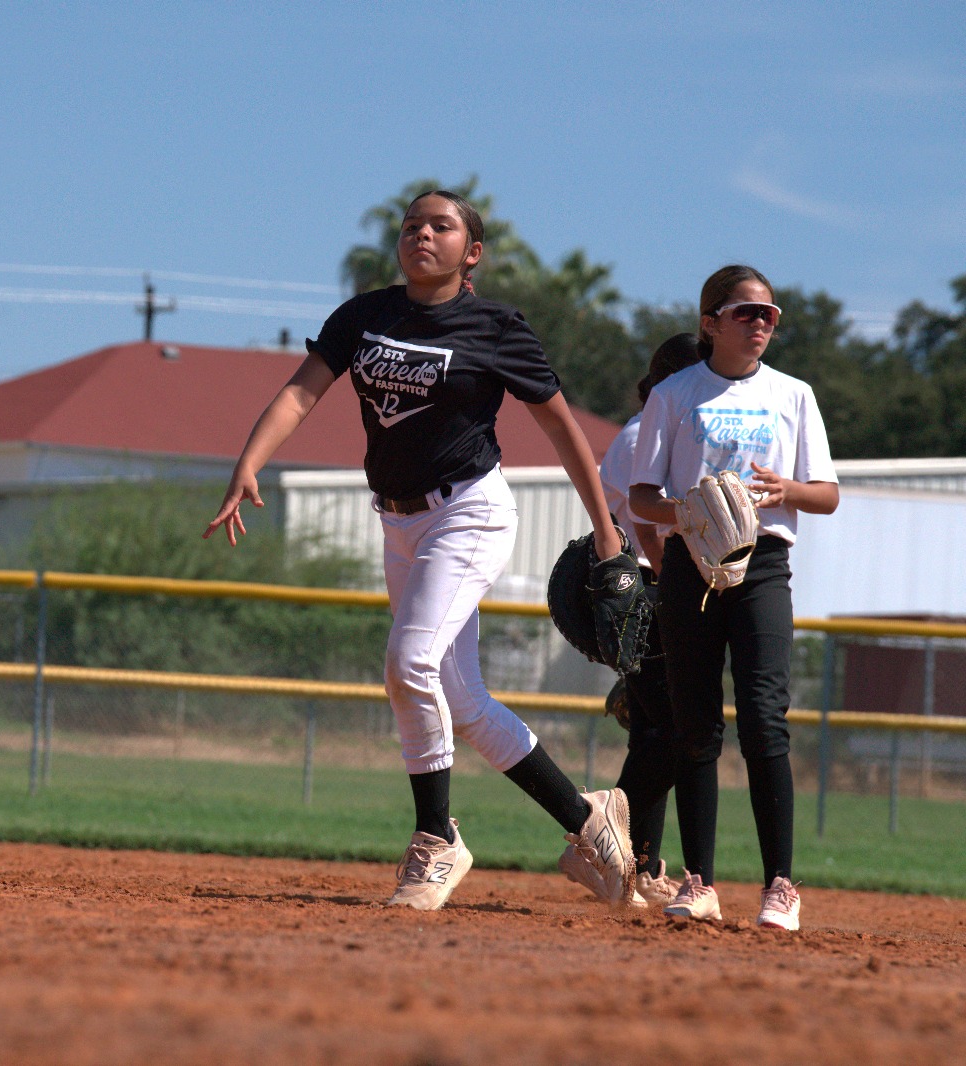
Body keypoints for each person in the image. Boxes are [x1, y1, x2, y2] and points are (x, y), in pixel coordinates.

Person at [205, 189, 636, 911]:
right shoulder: (366, 317)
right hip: (398, 522)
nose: (422, 235)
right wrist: (249, 460)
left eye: (442, 227)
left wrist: (606, 528)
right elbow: (299, 394)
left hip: (468, 511)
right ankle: (591, 823)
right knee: (463, 703)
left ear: (472, 253)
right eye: (412, 226)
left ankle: (437, 839)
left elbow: (562, 428)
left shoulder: (496, 327)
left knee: (408, 664)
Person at [629, 265, 840, 931]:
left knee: (763, 718)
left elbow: (826, 494)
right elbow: (641, 498)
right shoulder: (675, 392)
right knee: (695, 725)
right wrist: (683, 513)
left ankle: (781, 885)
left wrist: (785, 491)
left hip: (764, 560)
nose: (759, 324)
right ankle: (700, 882)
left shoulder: (793, 395)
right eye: (746, 312)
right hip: (693, 563)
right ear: (711, 322)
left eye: (769, 315)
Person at [559, 333, 701, 910]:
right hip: (644, 587)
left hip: (654, 586)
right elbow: (645, 524)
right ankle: (597, 837)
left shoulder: (659, 431)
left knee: (652, 731)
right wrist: (670, 591)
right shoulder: (648, 432)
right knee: (678, 732)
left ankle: (639, 862)